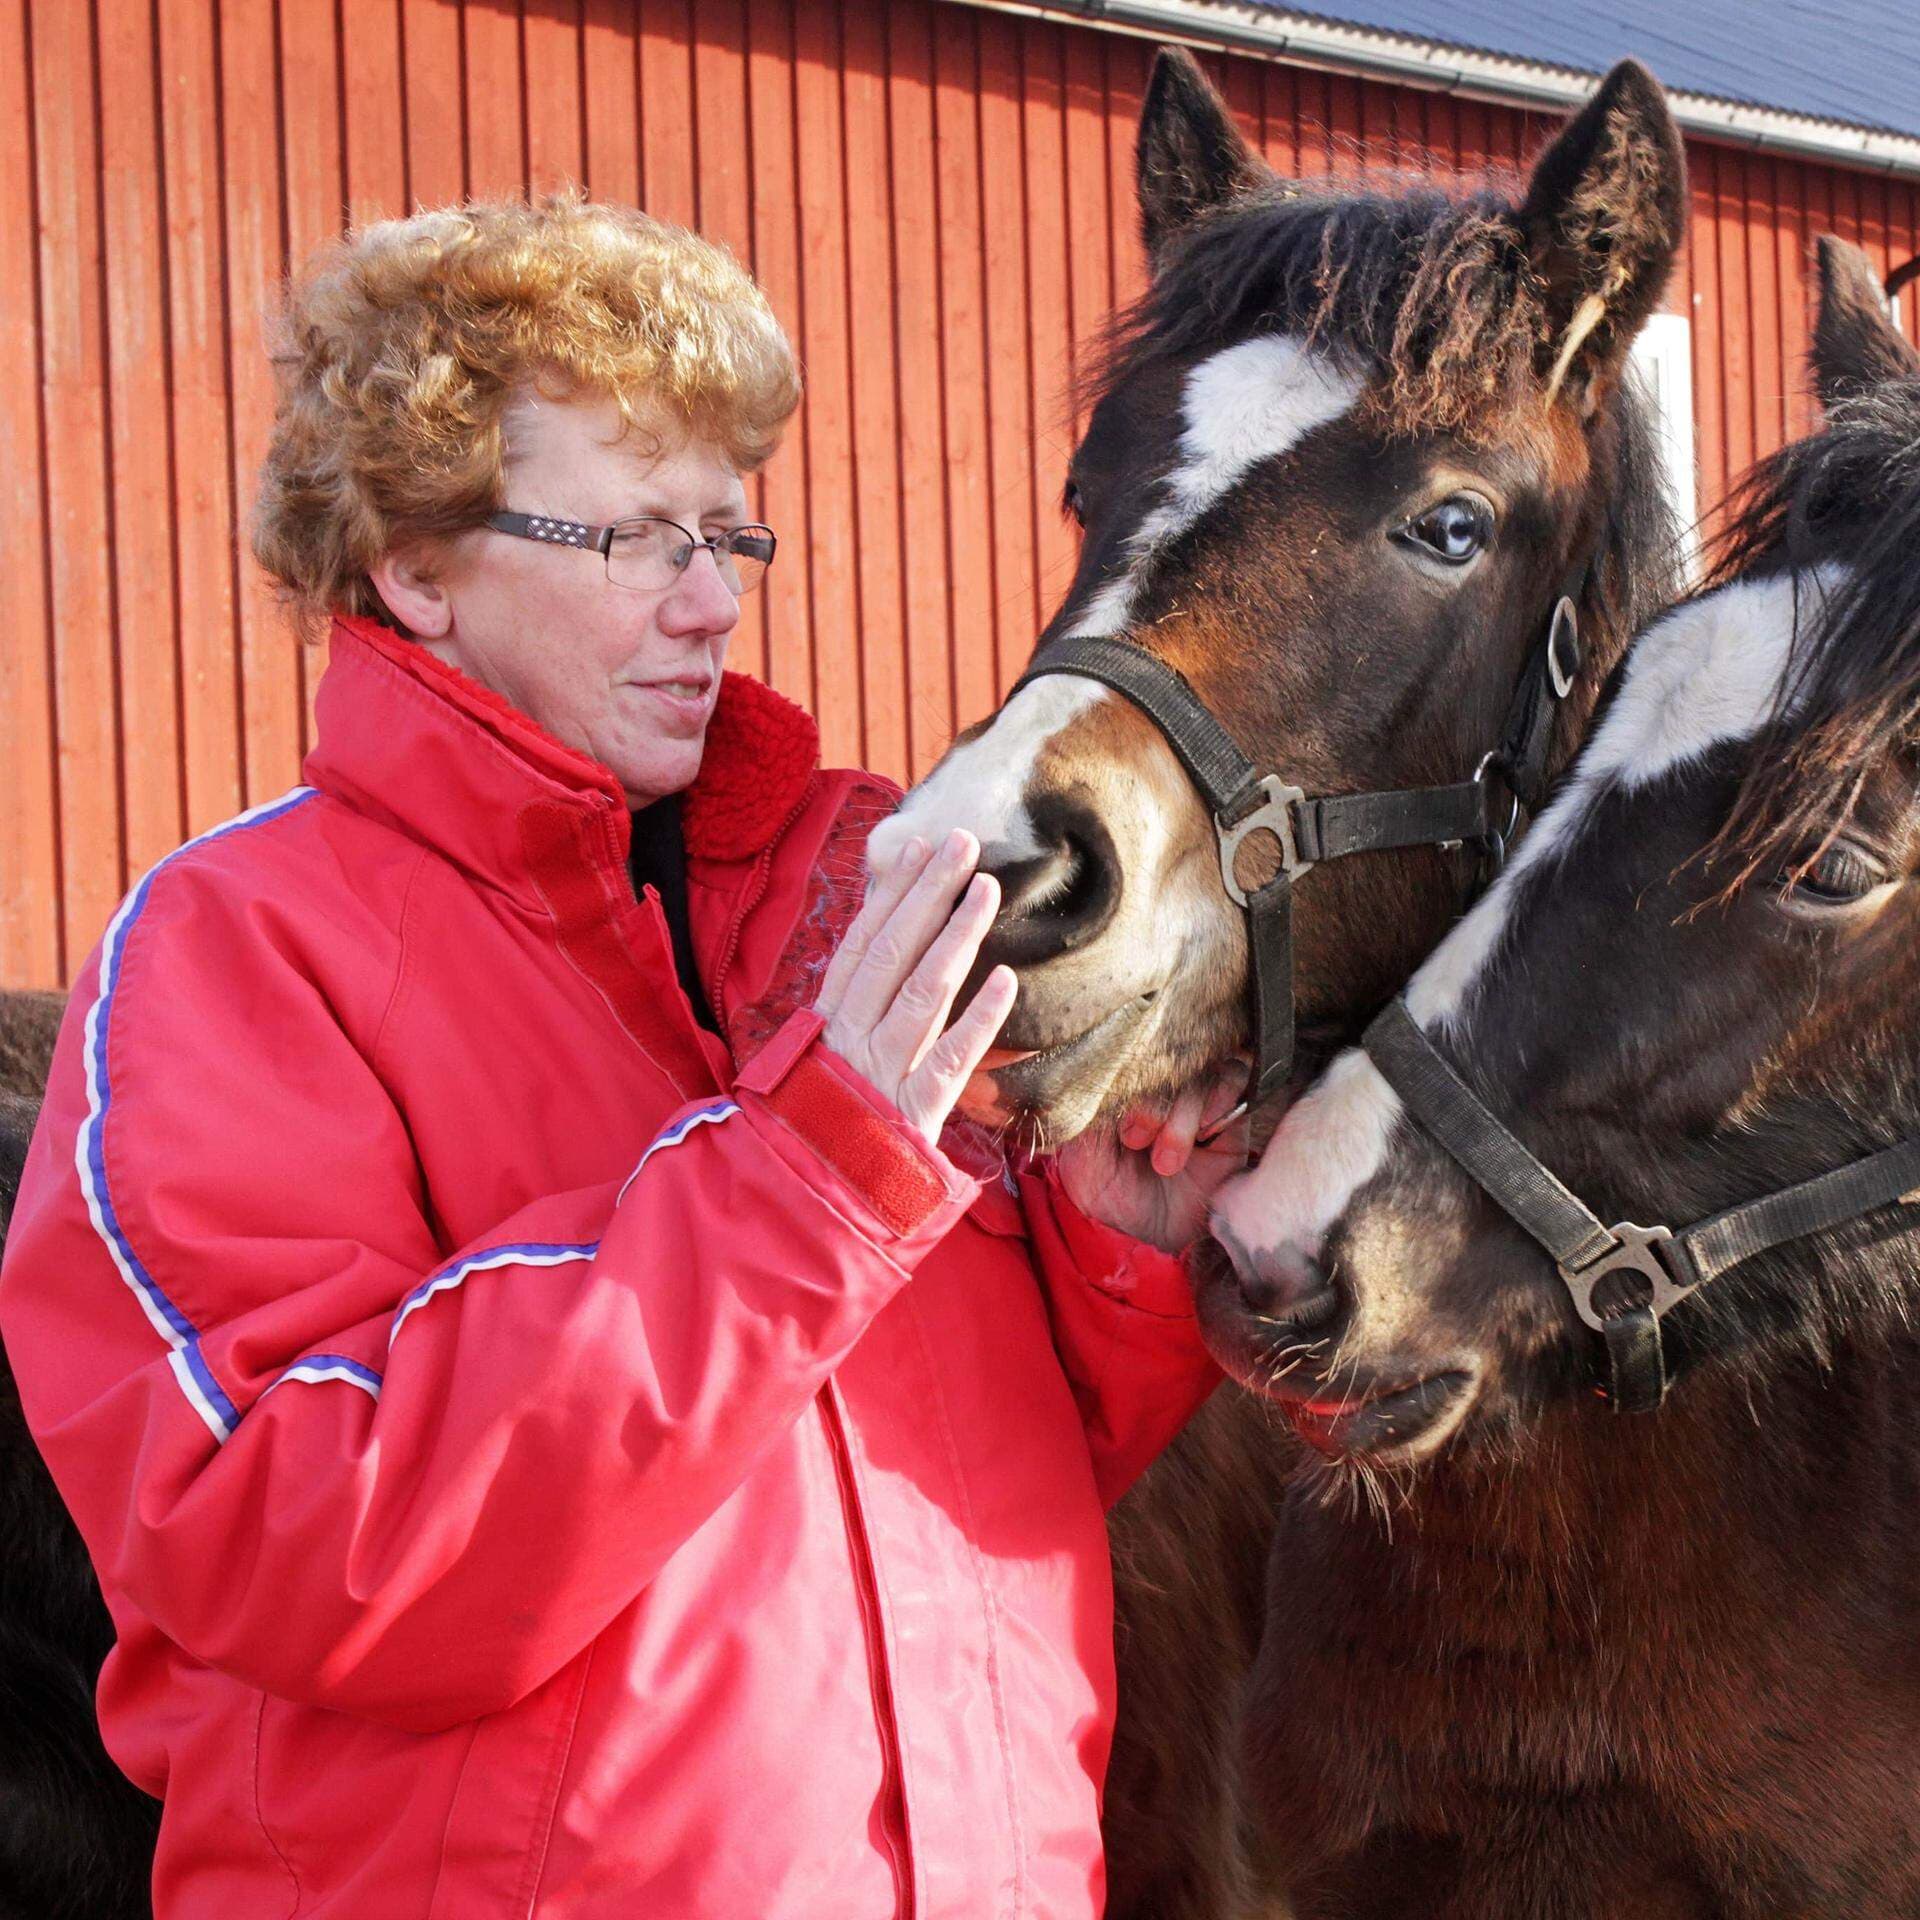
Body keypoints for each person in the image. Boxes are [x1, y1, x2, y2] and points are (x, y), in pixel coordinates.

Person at [0, 195, 1243, 1918]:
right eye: (635, 540)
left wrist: (1123, 1251)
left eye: (729, 538)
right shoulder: (236, 954)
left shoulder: (855, 887)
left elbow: (943, 1471)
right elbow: (300, 1535)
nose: (707, 606)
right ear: (412, 561)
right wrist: (805, 1183)